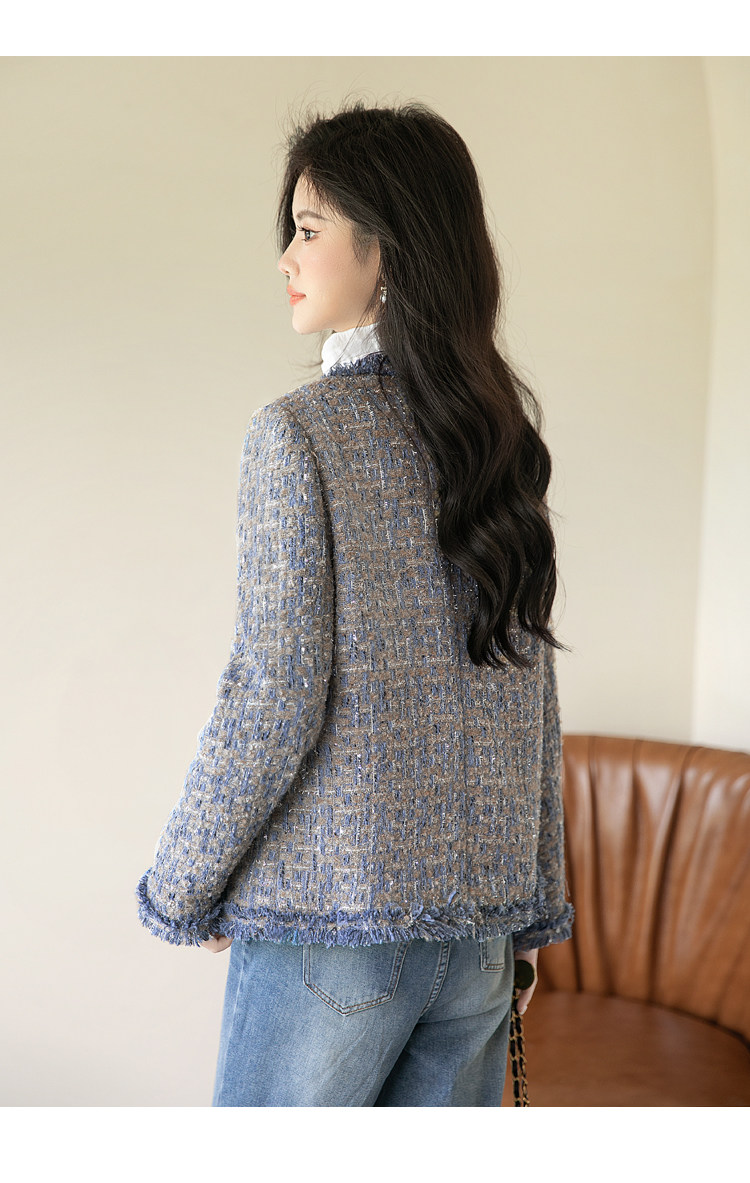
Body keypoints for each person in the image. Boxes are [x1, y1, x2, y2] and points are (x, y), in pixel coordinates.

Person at [136, 101, 574, 1107]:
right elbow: (529, 695)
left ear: (389, 249)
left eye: (308, 229)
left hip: (334, 929)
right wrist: (533, 910)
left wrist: (185, 881)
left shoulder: (298, 435)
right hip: (477, 938)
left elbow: (274, 690)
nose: (286, 258)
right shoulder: (499, 442)